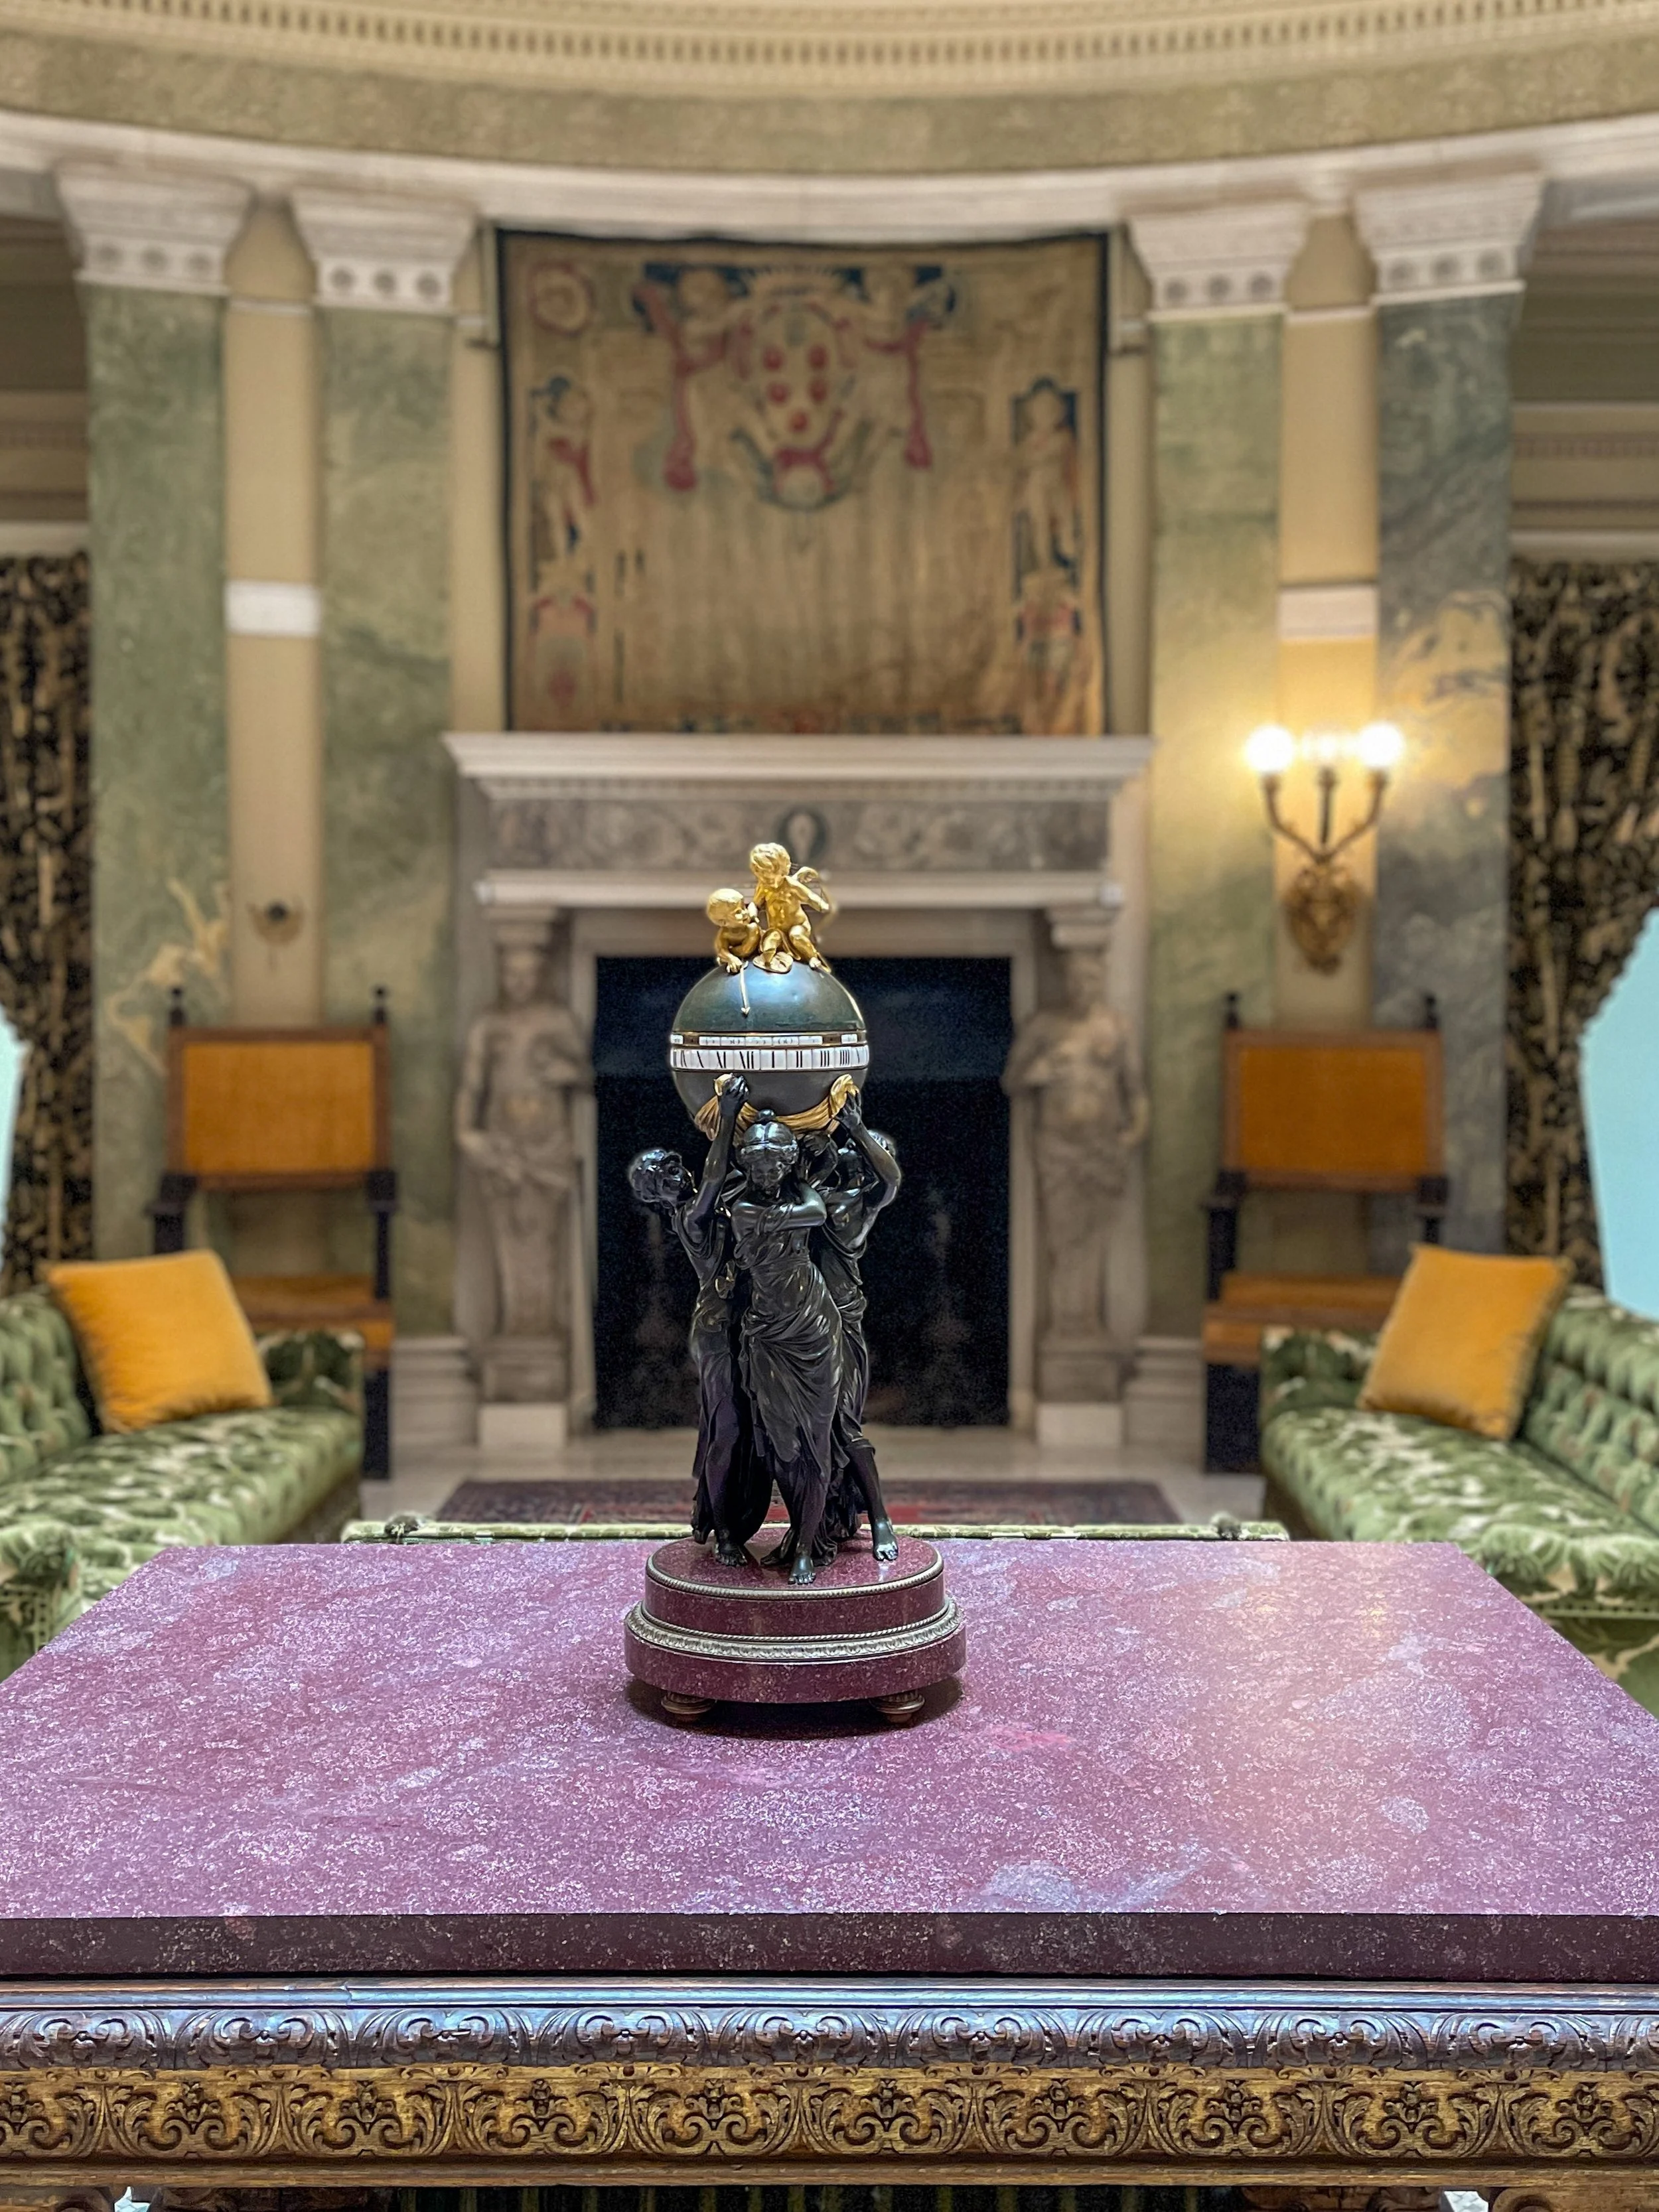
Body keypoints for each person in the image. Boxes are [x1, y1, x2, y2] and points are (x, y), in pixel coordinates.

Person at [628, 1075, 767, 1564]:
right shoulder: (692, 1217)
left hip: (755, 1321)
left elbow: (730, 1175)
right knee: (726, 1429)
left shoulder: (719, 1198)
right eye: (661, 1177)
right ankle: (725, 1528)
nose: (674, 1173)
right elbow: (713, 1178)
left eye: (672, 1165)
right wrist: (726, 1115)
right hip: (717, 1329)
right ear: (655, 1199)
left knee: (764, 1427)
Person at [727, 1111, 845, 1584]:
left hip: (813, 1325)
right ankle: (799, 1531)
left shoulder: (795, 1203)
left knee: (816, 1441)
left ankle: (805, 1544)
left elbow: (817, 1212)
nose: (766, 1174)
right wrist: (803, 1179)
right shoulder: (742, 1210)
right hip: (769, 1331)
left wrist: (815, 1161)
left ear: (787, 1165)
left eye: (776, 1165)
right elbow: (811, 1209)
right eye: (758, 1166)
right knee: (780, 1445)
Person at [811, 1095, 902, 1560]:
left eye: (861, 1154)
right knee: (806, 1430)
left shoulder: (860, 1206)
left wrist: (859, 1129)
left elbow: (890, 1179)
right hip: (799, 1325)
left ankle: (879, 1517)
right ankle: (819, 1522)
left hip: (841, 1321)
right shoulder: (813, 1193)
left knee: (844, 1425)